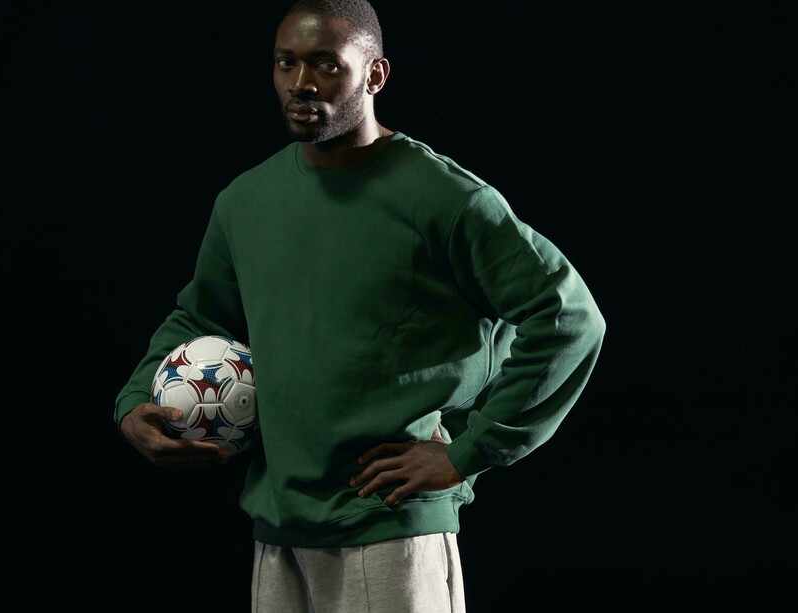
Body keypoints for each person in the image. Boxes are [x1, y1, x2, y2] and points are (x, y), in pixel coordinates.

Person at [113, 0, 606, 611]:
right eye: (285, 63)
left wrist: (469, 452)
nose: (301, 83)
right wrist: (136, 401)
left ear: (374, 76)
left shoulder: (445, 198)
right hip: (280, 523)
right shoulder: (245, 200)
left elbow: (567, 318)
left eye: (325, 64)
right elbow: (201, 318)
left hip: (392, 527)